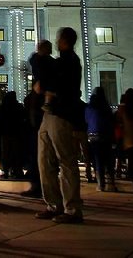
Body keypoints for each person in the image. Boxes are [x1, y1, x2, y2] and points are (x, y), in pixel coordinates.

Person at [35, 27, 84, 224]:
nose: (56, 41)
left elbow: (66, 88)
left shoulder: (70, 61)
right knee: (44, 161)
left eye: (58, 39)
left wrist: (49, 90)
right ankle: (53, 204)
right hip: (48, 115)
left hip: (62, 115)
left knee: (66, 161)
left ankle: (72, 209)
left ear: (64, 41)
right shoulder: (61, 62)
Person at [22, 40, 52, 197]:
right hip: (46, 115)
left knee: (38, 153)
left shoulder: (42, 64)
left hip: (40, 117)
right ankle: (43, 186)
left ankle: (38, 186)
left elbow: (33, 59)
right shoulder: (53, 64)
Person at [85, 87, 116, 192]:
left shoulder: (89, 107)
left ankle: (100, 184)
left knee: (98, 160)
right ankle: (111, 182)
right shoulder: (106, 108)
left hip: (93, 136)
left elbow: (86, 120)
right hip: (106, 135)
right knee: (108, 159)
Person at [0, 91, 26, 179]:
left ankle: (6, 171)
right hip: (16, 132)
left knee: (5, 153)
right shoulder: (19, 107)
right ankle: (17, 170)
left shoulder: (2, 108)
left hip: (5, 132)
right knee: (16, 152)